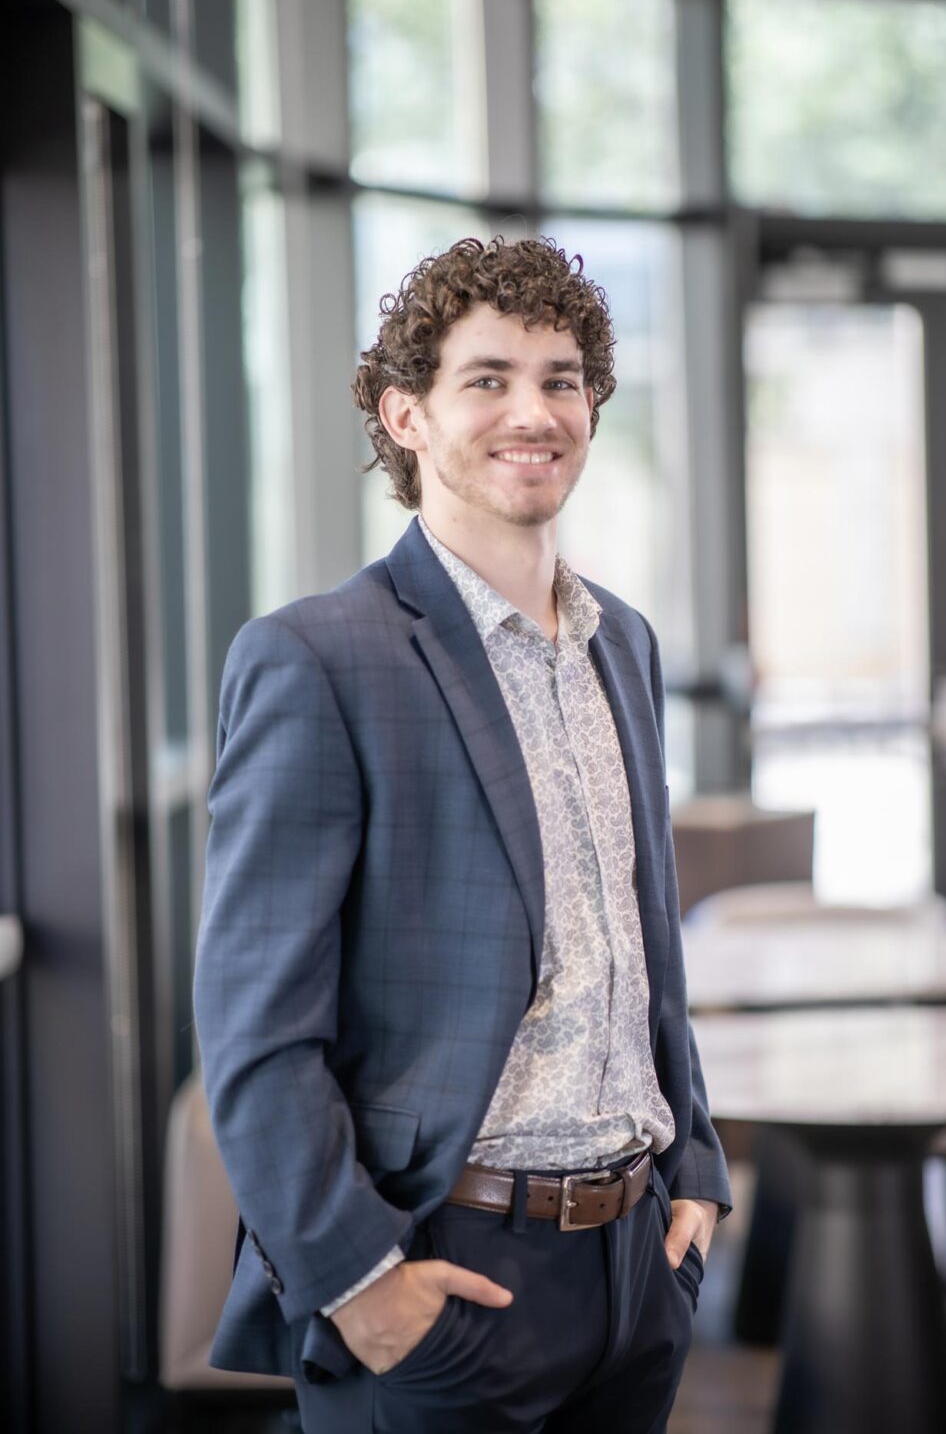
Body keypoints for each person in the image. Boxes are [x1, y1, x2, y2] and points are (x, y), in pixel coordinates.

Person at [194, 236, 732, 1434]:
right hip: (444, 1269)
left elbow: (640, 944)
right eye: (487, 379)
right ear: (407, 416)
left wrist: (693, 1176)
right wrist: (360, 1285)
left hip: (636, 1267)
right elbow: (255, 1030)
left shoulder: (622, 644)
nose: (533, 411)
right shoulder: (316, 658)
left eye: (559, 379)